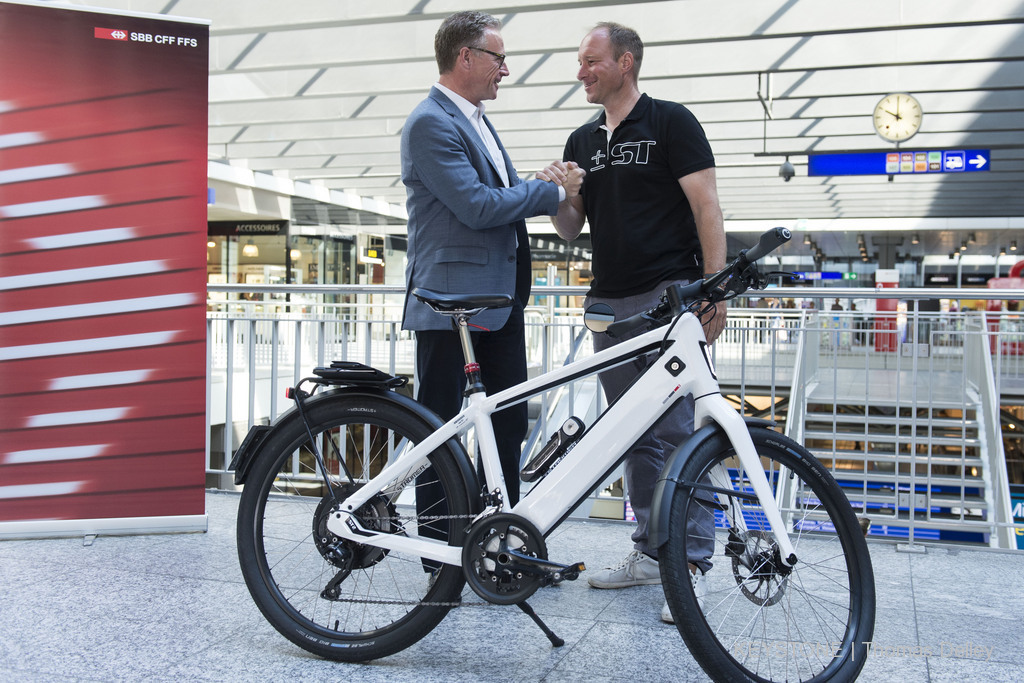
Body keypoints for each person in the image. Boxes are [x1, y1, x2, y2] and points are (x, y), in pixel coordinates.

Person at [541, 21, 726, 624]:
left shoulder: (672, 121)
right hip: (608, 304)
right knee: (633, 434)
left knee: (679, 431)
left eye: (591, 61)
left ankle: (691, 564)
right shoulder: (583, 137)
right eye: (580, 61)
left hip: (671, 296)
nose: (581, 72)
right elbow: (571, 229)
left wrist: (714, 288)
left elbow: (706, 205)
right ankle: (650, 552)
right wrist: (565, 195)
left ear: (625, 62)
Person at [400, 10, 584, 543]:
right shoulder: (431, 122)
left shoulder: (475, 118)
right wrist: (552, 191)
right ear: (466, 57)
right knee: (439, 428)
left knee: (506, 422)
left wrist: (539, 185)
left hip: (497, 302)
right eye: (498, 58)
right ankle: (440, 551)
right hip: (450, 305)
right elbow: (478, 206)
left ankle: (496, 538)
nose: (506, 69)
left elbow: (493, 199)